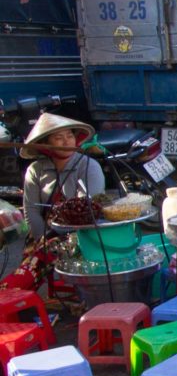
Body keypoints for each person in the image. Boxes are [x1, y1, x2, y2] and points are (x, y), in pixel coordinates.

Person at [1, 113, 104, 292]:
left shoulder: (88, 166)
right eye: (58, 138)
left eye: (69, 136)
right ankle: (17, 298)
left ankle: (8, 292)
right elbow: (31, 209)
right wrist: (42, 237)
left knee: (39, 259)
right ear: (46, 144)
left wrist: (54, 238)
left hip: (79, 232)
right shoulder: (36, 170)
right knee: (31, 262)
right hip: (44, 233)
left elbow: (87, 209)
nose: (66, 142)